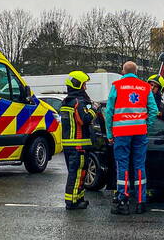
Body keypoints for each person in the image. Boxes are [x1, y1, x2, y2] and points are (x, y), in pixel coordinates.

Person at [104, 61, 158, 214]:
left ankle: (123, 200)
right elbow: (153, 110)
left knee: (123, 165)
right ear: (136, 71)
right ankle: (141, 202)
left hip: (121, 132)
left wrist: (109, 133)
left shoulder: (117, 85)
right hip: (140, 131)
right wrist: (146, 125)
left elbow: (109, 112)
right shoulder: (145, 87)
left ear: (123, 71)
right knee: (139, 165)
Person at [59, 71, 98, 210]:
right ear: (78, 85)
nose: (85, 88)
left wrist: (89, 105)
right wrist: (94, 109)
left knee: (78, 173)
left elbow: (82, 110)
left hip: (70, 145)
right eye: (84, 85)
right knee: (76, 174)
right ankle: (72, 202)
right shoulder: (78, 102)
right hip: (78, 145)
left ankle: (79, 198)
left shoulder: (67, 101)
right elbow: (85, 119)